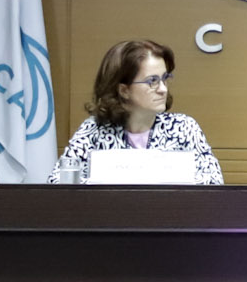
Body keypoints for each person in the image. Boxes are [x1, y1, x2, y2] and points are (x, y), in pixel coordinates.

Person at [50, 39, 224, 183]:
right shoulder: (95, 130)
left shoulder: (183, 128)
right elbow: (58, 183)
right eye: (152, 81)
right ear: (124, 90)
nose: (163, 89)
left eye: (164, 79)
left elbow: (214, 183)